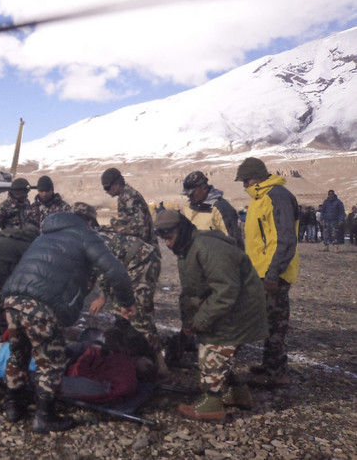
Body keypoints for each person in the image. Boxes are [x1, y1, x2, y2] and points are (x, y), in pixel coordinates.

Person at [1, 211, 135, 433]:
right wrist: (126, 301)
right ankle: (44, 417)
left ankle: (13, 408)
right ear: (87, 222)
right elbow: (115, 270)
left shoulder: (42, 238)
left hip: (12, 301)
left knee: (18, 354)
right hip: (41, 304)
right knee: (50, 361)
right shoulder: (85, 234)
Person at [154, 210, 268, 421]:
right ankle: (236, 393)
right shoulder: (187, 248)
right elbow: (193, 291)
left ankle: (212, 404)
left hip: (240, 311)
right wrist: (190, 322)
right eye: (164, 239)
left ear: (182, 230)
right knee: (215, 350)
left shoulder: (208, 249)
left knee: (211, 352)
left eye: (169, 238)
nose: (167, 244)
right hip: (230, 307)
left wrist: (200, 321)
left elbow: (226, 291)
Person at [77, 203, 167, 378]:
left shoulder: (92, 239)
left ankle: (160, 364)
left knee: (139, 313)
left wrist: (102, 297)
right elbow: (91, 275)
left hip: (143, 261)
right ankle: (136, 354)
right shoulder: (85, 237)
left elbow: (104, 271)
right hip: (126, 266)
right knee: (125, 311)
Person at [235, 157, 299, 389]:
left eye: (247, 180)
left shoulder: (276, 196)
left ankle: (276, 373)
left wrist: (273, 274)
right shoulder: (260, 198)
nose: (244, 185)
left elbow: (285, 238)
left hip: (273, 274)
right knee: (270, 321)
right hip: (262, 271)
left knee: (275, 323)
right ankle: (271, 365)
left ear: (259, 177)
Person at [100, 167, 161, 252]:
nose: (106, 191)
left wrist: (112, 228)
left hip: (146, 251)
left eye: (107, 188)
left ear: (116, 184)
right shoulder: (124, 196)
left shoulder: (129, 197)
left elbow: (140, 227)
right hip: (140, 249)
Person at [181, 171, 244, 249]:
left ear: (204, 189)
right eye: (187, 194)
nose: (189, 197)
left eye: (191, 193)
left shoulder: (222, 208)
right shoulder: (188, 207)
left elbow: (234, 242)